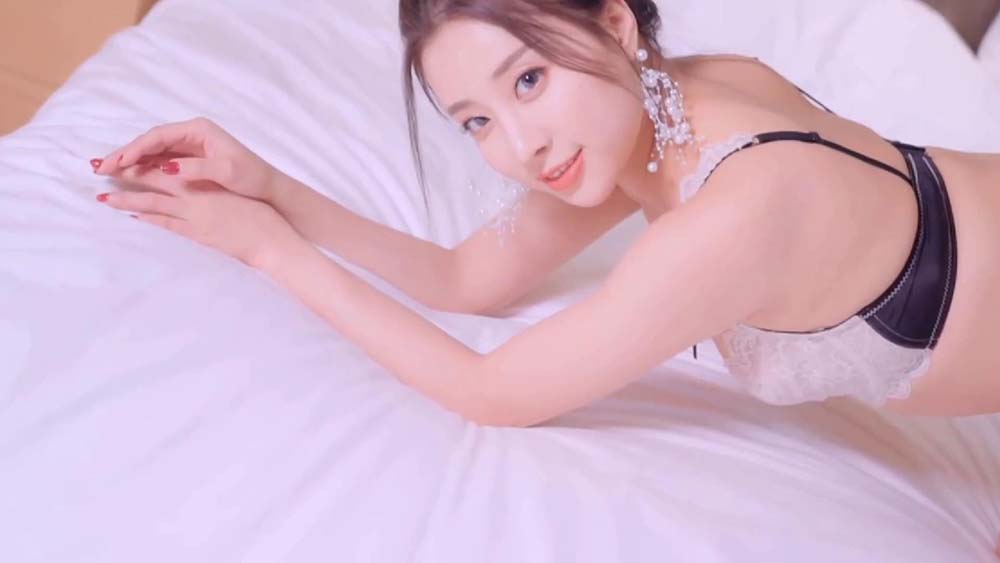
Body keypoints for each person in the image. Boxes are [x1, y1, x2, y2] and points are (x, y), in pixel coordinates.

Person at [88, 0, 1000, 424]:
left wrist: (270, 254)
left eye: (528, 79)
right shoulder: (644, 119)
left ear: (615, 24)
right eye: (477, 120)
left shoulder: (736, 213)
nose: (519, 144)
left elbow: (493, 393)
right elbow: (466, 278)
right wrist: (272, 189)